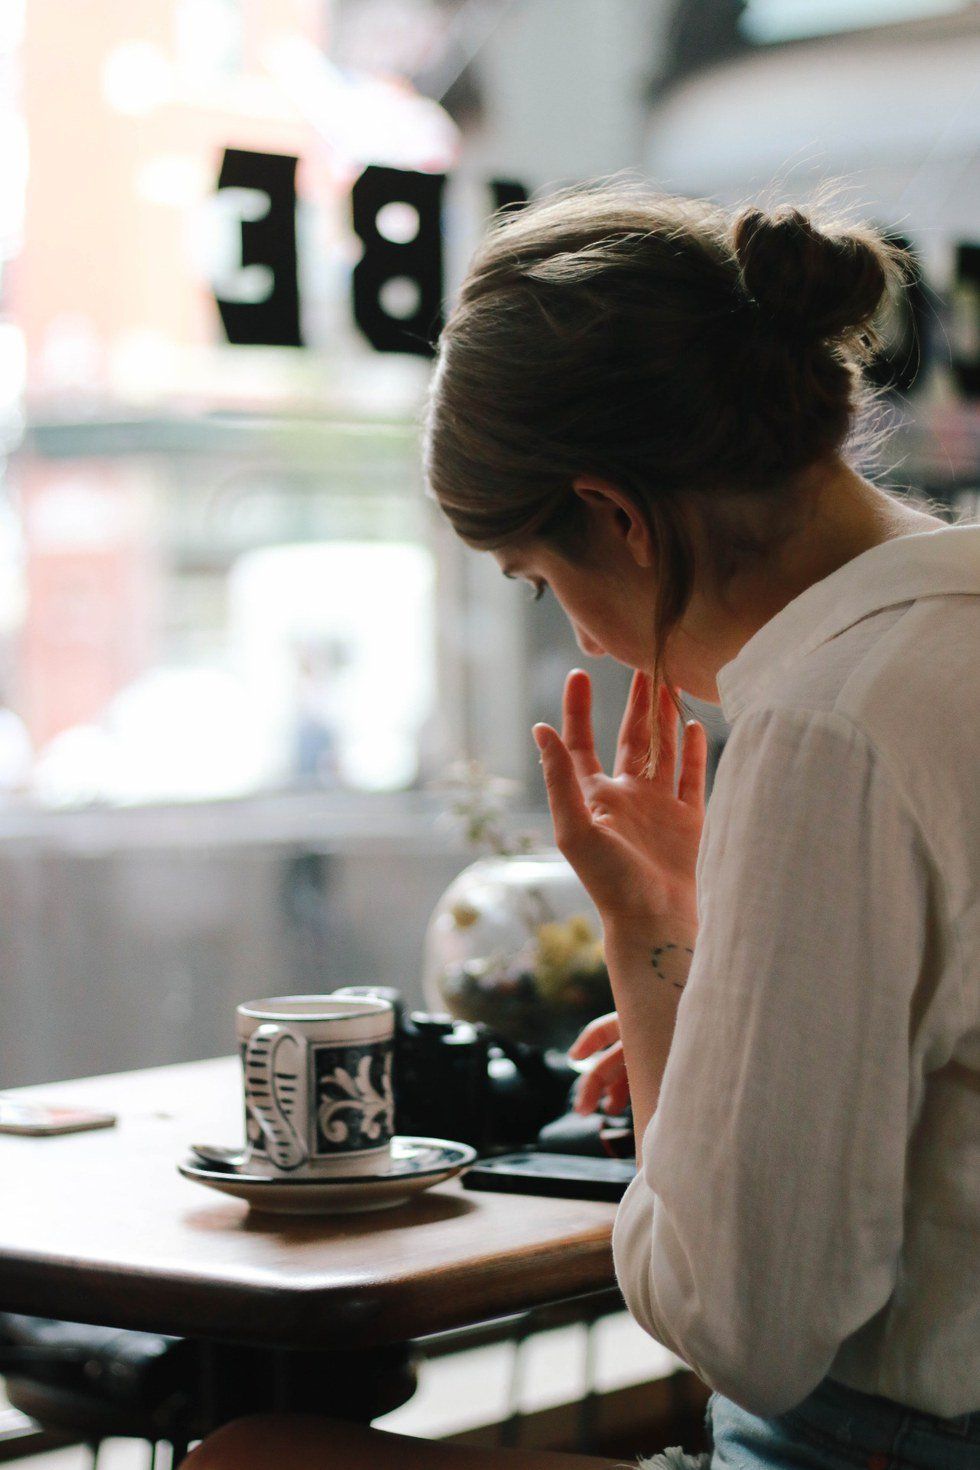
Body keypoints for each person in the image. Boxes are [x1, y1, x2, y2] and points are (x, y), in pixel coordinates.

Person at [186, 184, 980, 1469]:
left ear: (615, 516)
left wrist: (648, 940)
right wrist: (686, 962)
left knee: (250, 1458)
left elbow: (747, 1322)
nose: (581, 636)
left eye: (540, 579)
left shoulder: (835, 730)